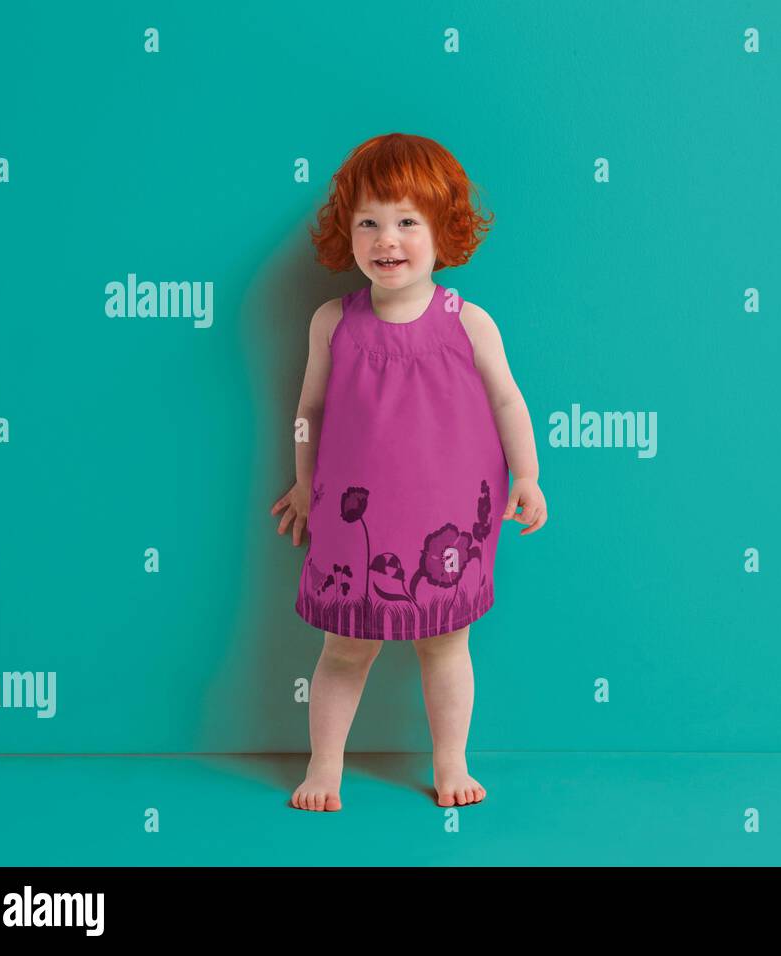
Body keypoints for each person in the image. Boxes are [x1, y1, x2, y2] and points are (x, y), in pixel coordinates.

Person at [269, 133, 547, 810]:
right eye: (368, 222)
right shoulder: (331, 322)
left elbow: (509, 398)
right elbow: (307, 410)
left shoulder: (468, 322)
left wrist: (527, 476)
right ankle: (324, 767)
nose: (385, 239)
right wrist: (305, 483)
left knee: (445, 646)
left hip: (448, 521)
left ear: (442, 230)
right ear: (348, 232)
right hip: (352, 518)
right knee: (344, 649)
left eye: (406, 222)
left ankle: (450, 762)